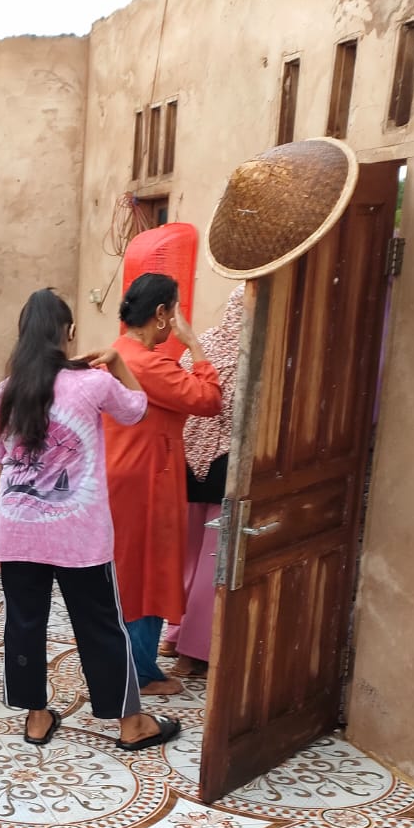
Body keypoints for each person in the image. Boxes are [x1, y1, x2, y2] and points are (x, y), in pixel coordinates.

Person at [0, 288, 181, 751]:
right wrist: (119, 363)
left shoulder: (1, 394)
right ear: (68, 334)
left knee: (25, 623)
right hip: (80, 536)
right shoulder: (92, 382)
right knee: (100, 626)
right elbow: (137, 410)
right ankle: (131, 725)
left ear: (22, 336)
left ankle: (35, 718)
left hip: (20, 530)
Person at [105, 272, 223, 695]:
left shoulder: (120, 352)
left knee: (128, 572)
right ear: (161, 314)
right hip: (147, 482)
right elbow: (208, 400)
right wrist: (193, 344)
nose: (176, 319)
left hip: (123, 475)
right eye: (174, 311)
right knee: (147, 574)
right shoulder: (147, 363)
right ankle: (139, 672)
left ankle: (130, 663)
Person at [164, 283, 245, 675]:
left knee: (188, 553)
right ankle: (194, 651)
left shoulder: (204, 345)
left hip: (186, 461)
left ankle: (175, 633)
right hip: (225, 465)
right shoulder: (255, 355)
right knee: (214, 558)